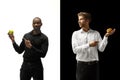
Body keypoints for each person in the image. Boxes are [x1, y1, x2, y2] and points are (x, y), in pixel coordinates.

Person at [71, 12, 116, 80]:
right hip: (81, 66)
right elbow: (75, 50)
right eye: (78, 19)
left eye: (81, 19)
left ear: (87, 20)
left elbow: (101, 49)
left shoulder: (96, 33)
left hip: (94, 66)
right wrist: (89, 45)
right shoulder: (75, 34)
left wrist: (106, 36)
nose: (78, 21)